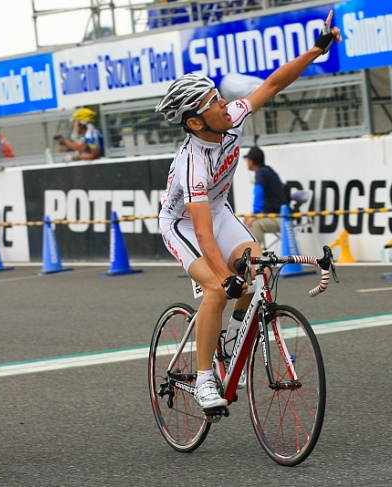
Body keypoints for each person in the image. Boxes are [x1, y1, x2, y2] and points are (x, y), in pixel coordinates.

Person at [155, 11, 341, 410]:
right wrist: (225, 278)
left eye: (219, 98)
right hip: (184, 224)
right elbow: (203, 234)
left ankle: (233, 338)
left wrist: (315, 50)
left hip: (218, 211)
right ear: (194, 121)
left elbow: (273, 83)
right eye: (213, 103)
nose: (225, 104)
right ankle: (205, 380)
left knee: (261, 269)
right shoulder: (193, 163)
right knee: (216, 289)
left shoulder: (231, 118)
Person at [242, 146, 288, 245]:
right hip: (280, 214)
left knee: (254, 224)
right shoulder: (268, 171)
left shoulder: (261, 173)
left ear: (251, 161)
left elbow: (258, 194)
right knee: (247, 219)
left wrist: (255, 214)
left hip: (280, 217)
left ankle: (255, 256)